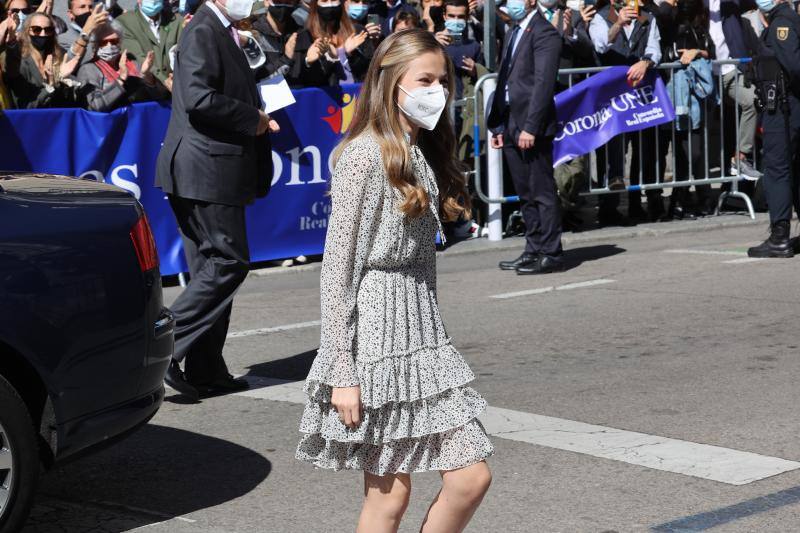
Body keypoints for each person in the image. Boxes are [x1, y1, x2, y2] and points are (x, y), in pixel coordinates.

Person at [295, 29, 493, 533]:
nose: (438, 91)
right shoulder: (365, 156)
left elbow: (424, 264)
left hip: (421, 330)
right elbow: (338, 266)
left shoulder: (418, 149)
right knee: (390, 496)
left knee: (470, 477)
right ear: (390, 83)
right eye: (425, 79)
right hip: (376, 334)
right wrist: (343, 367)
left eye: (443, 80)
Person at [155, 0, 279, 401]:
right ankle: (162, 344)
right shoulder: (204, 30)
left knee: (211, 267)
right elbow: (197, 98)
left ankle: (206, 367)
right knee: (228, 262)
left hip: (209, 171)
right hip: (204, 170)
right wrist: (254, 119)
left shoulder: (225, 31)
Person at [488, 0, 565, 274]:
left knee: (541, 190)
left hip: (532, 125)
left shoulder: (544, 32)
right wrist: (498, 126)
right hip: (510, 121)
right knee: (525, 193)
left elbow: (543, 84)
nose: (510, 4)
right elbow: (505, 79)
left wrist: (531, 127)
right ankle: (533, 249)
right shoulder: (514, 30)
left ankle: (551, 252)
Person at [588, 0, 663, 224]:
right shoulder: (601, 17)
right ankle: (608, 207)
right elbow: (600, 44)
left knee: (642, 147)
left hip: (638, 95)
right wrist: (618, 23)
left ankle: (635, 203)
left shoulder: (647, 18)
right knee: (611, 150)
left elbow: (654, 49)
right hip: (611, 96)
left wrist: (646, 62)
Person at [747, 0, 800, 257]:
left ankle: (779, 236)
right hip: (786, 105)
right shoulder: (785, 20)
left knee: (777, 168)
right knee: (794, 168)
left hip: (783, 107)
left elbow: (794, 66)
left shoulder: (783, 23)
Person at [707, 0, 763, 180]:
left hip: (730, 70)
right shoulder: (695, 6)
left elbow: (750, 3)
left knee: (752, 99)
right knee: (698, 137)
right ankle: (694, 193)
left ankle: (740, 158)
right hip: (704, 73)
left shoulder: (730, 4)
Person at [76, 22, 168, 111]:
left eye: (114, 41)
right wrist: (121, 80)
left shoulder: (133, 63)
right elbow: (94, 106)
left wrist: (148, 75)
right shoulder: (88, 69)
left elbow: (162, 97)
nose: (109, 45)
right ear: (95, 45)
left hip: (140, 122)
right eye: (103, 42)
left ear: (120, 42)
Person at [6, 12, 85, 108]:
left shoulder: (58, 56)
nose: (43, 34)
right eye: (37, 29)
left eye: (48, 30)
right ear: (27, 31)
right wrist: (51, 85)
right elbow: (27, 107)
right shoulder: (21, 63)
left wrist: (67, 83)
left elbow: (69, 101)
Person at [293, 0, 375, 86]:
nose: (330, 5)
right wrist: (309, 62)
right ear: (315, 4)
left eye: (334, 0)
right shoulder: (306, 36)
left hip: (356, 94)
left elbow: (369, 70)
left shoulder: (357, 31)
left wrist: (352, 54)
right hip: (327, 97)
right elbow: (307, 79)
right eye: (324, 1)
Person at [115, 0, 182, 86]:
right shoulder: (124, 22)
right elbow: (138, 57)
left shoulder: (177, 20)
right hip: (145, 89)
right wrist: (164, 80)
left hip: (176, 87)